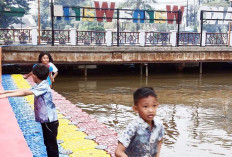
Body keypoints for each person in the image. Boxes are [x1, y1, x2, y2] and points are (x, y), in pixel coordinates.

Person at [0, 64, 59, 157]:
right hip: (46, 120)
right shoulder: (41, 84)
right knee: (48, 143)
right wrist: (6, 92)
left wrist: (6, 95)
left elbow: (25, 93)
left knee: (51, 145)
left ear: (34, 76)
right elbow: (25, 90)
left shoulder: (43, 86)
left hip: (50, 121)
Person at [115, 87, 164, 157]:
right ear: (136, 109)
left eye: (154, 106)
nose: (151, 110)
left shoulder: (159, 125)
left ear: (157, 105)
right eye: (145, 106)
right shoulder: (133, 127)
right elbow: (118, 151)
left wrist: (157, 155)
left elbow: (160, 140)